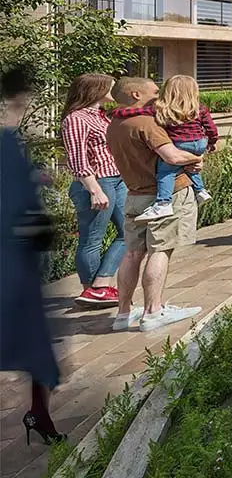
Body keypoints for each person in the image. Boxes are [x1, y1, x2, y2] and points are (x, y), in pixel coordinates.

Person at [106, 77, 204, 333]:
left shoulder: (115, 124)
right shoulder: (147, 123)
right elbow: (172, 156)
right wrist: (195, 159)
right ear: (136, 94)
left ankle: (123, 314)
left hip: (134, 194)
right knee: (160, 250)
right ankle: (153, 312)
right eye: (155, 91)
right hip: (165, 197)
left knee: (132, 253)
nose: (159, 95)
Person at [2, 65, 66, 446]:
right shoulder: (7, 141)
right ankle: (39, 413)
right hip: (11, 258)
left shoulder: (11, 141)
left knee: (32, 337)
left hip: (17, 256)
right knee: (29, 336)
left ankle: (39, 413)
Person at [61, 73, 128, 307]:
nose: (115, 92)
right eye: (111, 87)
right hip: (97, 182)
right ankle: (91, 289)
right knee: (92, 239)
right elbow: (77, 158)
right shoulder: (76, 118)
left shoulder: (101, 116)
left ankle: (100, 284)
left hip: (117, 180)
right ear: (96, 89)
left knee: (130, 232)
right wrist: (94, 190)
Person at [134, 76, 217, 221]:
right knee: (190, 165)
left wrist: (120, 113)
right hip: (199, 142)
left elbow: (140, 114)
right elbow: (211, 128)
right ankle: (201, 190)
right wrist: (211, 141)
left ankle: (163, 203)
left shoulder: (162, 108)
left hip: (179, 143)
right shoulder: (199, 108)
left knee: (166, 172)